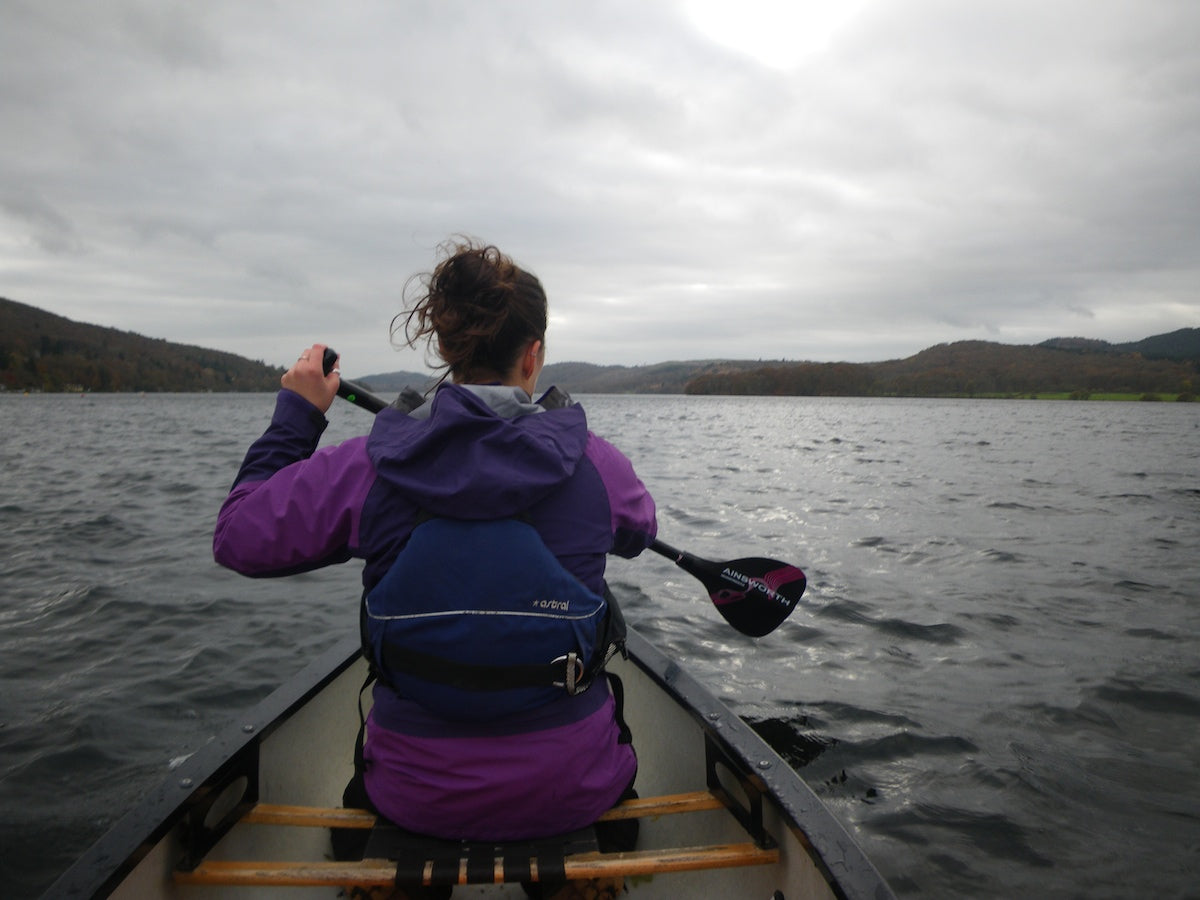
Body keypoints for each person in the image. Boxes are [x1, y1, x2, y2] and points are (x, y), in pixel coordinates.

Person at [213, 240, 657, 900]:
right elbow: (639, 528)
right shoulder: (598, 466)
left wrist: (299, 414)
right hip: (573, 787)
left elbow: (239, 538)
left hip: (411, 792)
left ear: (446, 350)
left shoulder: (367, 469)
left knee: (377, 801)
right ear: (532, 353)